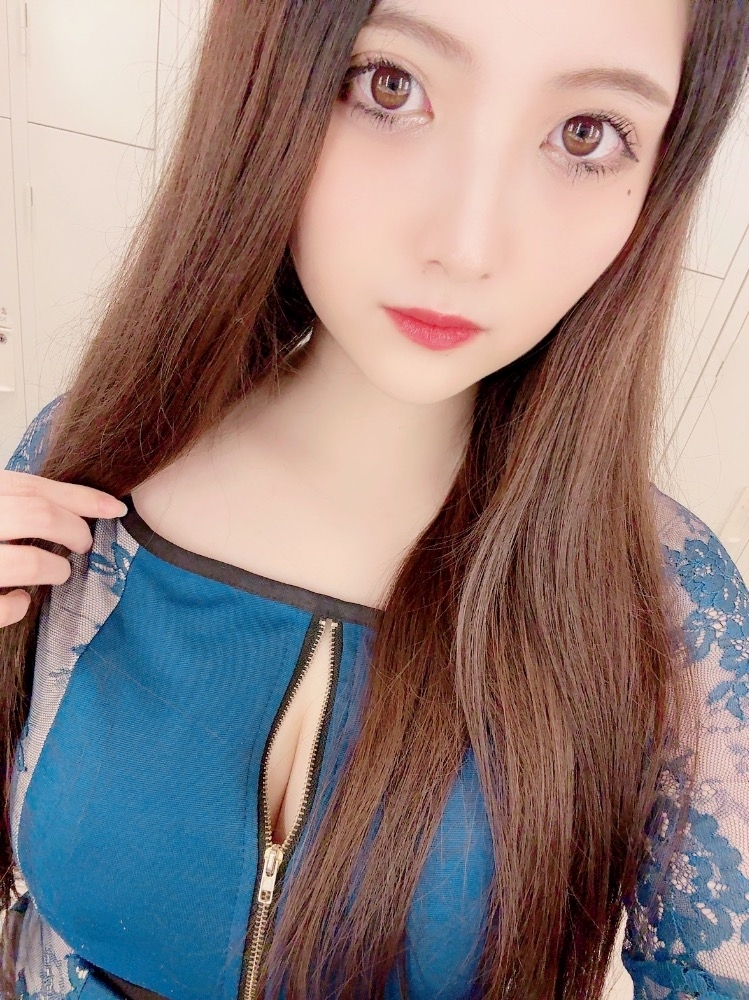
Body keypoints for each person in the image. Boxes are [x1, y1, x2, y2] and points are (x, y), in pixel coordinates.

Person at [1, 0, 748, 997]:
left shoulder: (670, 611)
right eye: (389, 86)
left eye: (585, 135)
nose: (466, 243)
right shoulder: (92, 468)